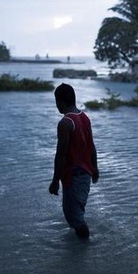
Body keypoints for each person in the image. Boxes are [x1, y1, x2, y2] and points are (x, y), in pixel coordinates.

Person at [49, 83, 99, 240]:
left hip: (73, 176)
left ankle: (84, 253)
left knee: (75, 220)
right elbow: (91, 145)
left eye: (56, 101)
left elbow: (61, 155)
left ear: (60, 101)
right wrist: (95, 168)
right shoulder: (84, 117)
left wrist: (55, 180)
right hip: (85, 174)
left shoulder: (65, 123)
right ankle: (80, 252)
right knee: (77, 215)